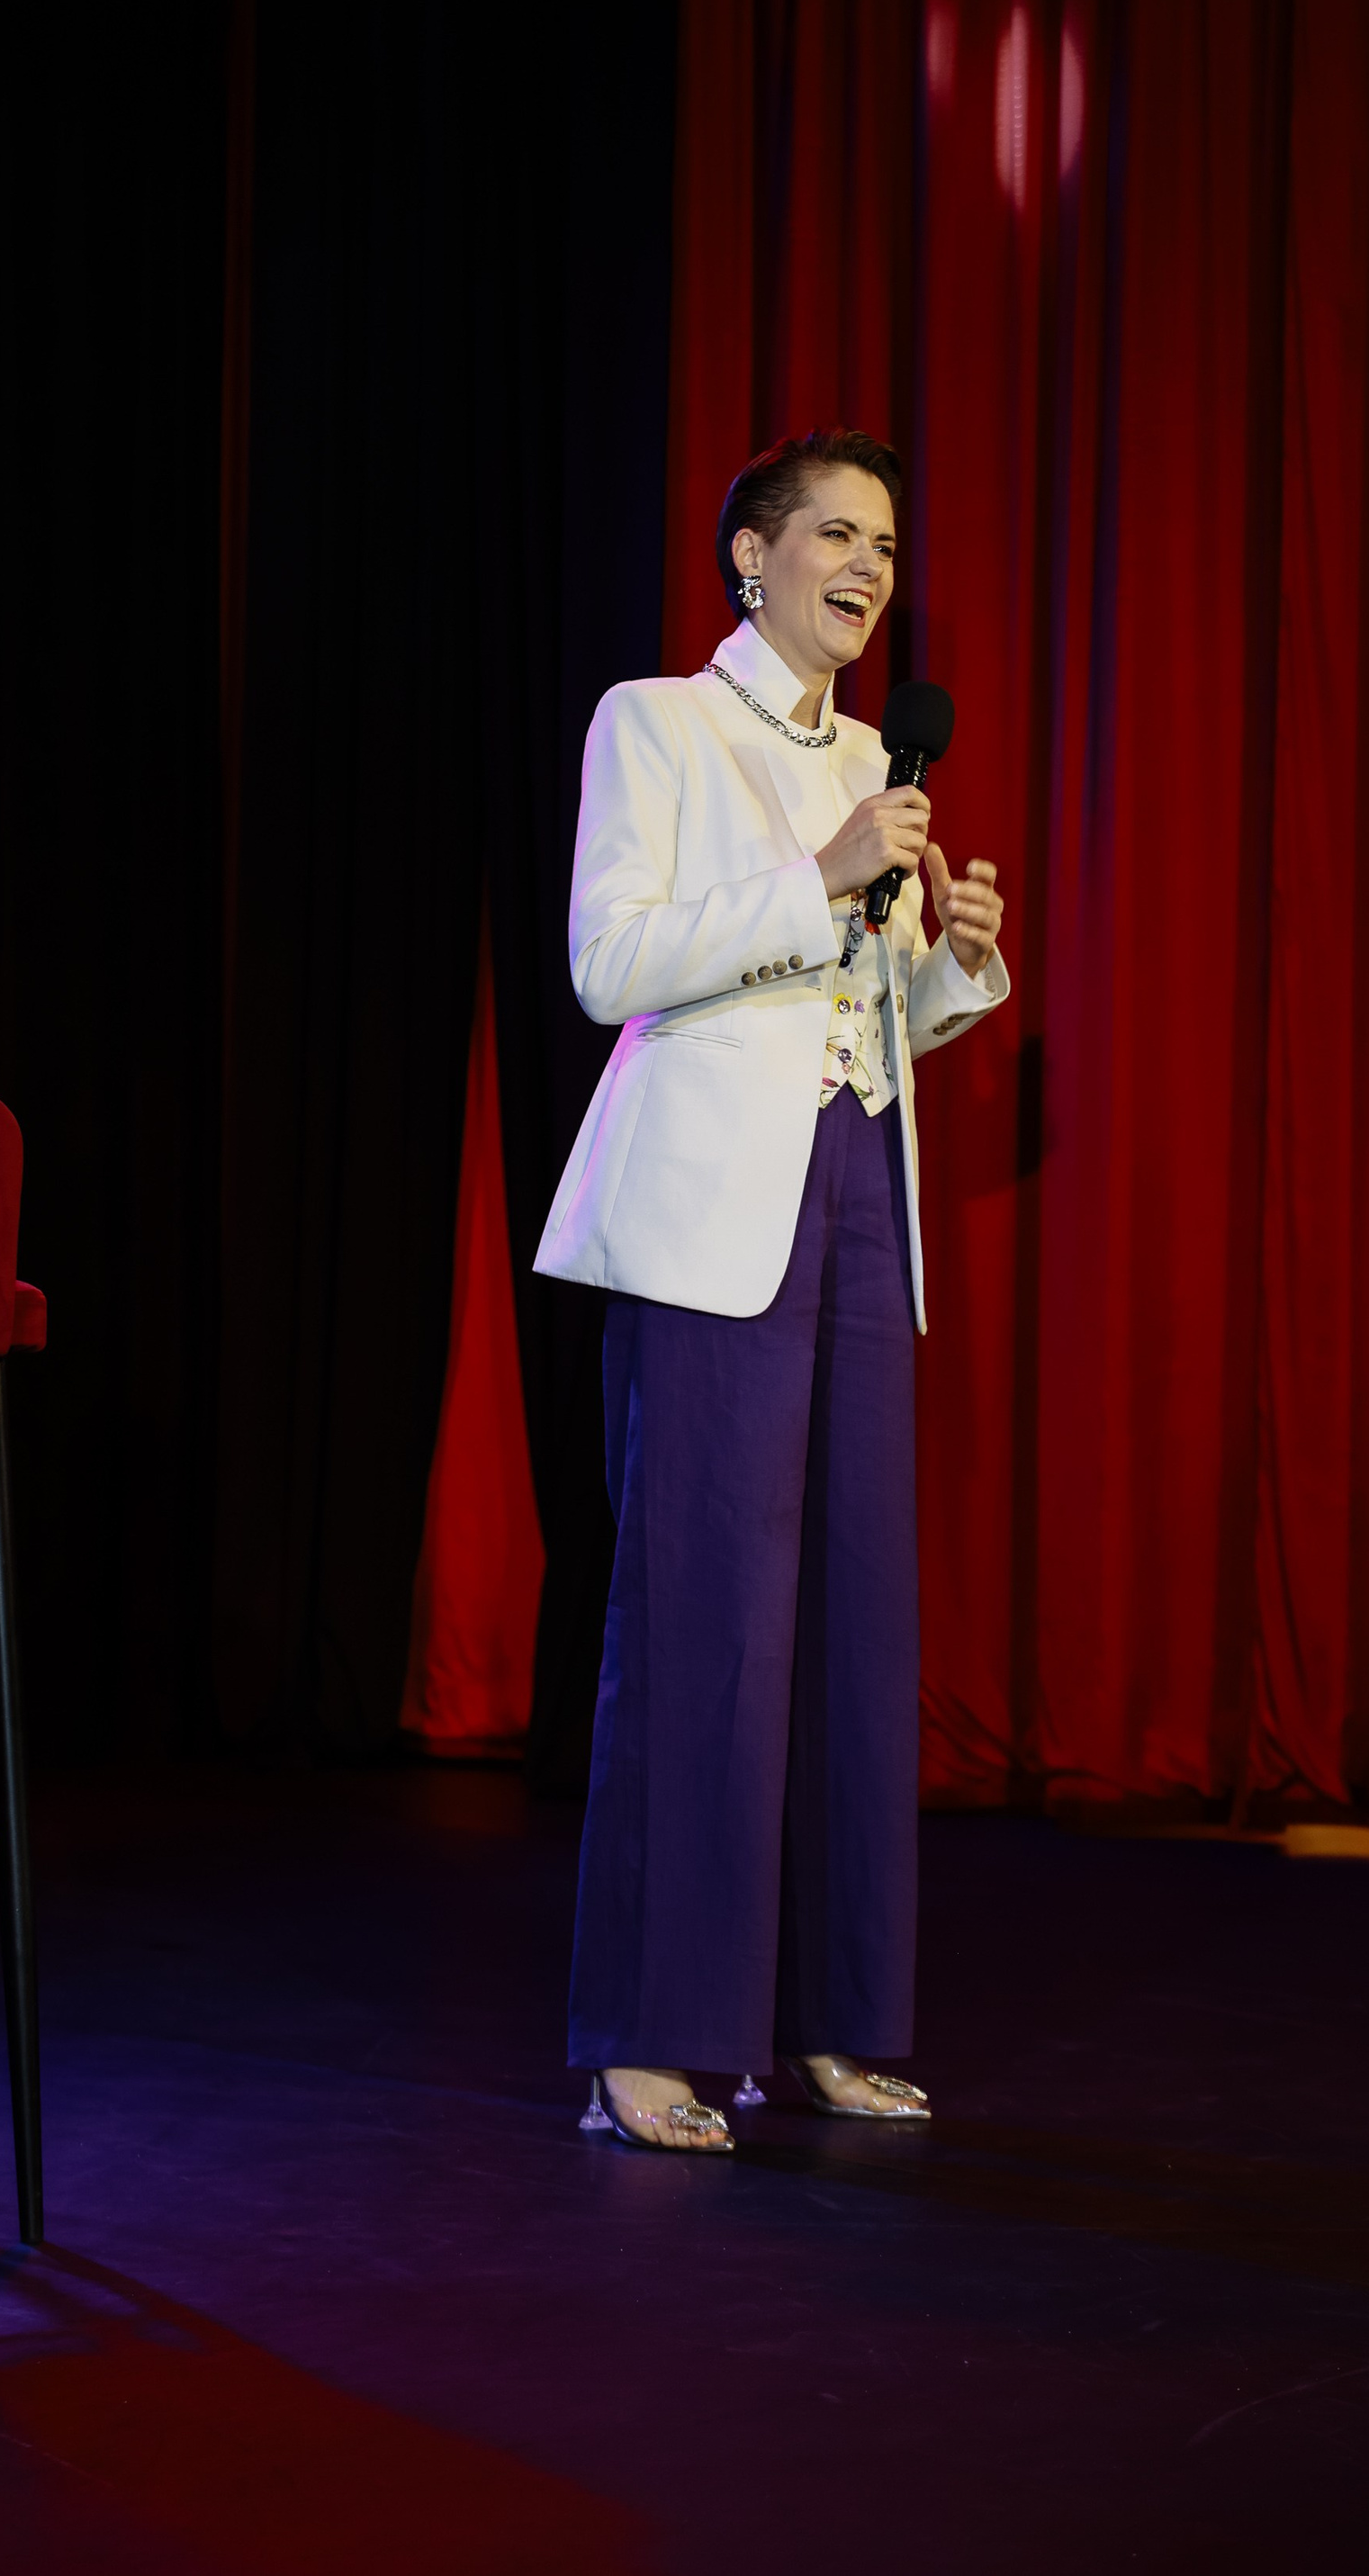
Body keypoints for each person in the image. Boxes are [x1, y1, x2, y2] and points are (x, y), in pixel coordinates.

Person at [536, 428, 1009, 2150]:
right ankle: (652, 2039)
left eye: (884, 543)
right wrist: (814, 878)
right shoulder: (655, 722)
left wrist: (952, 967)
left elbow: (867, 1003)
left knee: (854, 1626)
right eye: (835, 534)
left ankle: (833, 2019)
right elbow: (611, 965)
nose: (868, 567)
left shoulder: (877, 757)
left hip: (858, 1192)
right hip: (710, 1214)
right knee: (704, 1623)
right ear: (753, 555)